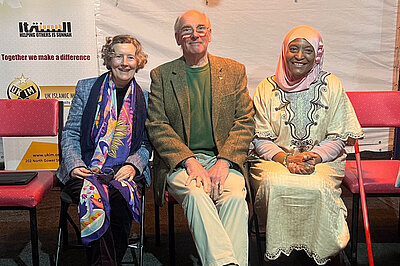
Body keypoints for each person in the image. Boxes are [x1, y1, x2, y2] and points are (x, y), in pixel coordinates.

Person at [146, 9, 255, 266]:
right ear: (177, 38)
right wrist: (190, 161)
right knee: (196, 194)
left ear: (210, 34)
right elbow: (157, 125)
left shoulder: (233, 70)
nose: (195, 34)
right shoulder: (161, 75)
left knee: (234, 197)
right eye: (187, 30)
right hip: (181, 163)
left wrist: (225, 161)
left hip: (222, 159)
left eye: (201, 28)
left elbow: (245, 120)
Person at [250, 25, 364, 265]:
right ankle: (280, 256)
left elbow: (338, 138)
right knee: (275, 184)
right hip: (275, 161)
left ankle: (321, 254)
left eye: (307, 50)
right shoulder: (265, 88)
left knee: (318, 186)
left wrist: (315, 156)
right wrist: (286, 159)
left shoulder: (331, 85)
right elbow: (260, 139)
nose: (299, 56)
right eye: (293, 49)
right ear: (284, 51)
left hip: (324, 161)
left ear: (318, 55)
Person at [56, 35, 151, 266]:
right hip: (87, 168)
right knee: (95, 196)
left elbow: (147, 144)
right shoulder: (87, 87)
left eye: (130, 57)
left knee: (120, 197)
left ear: (138, 62)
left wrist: (132, 165)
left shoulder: (146, 98)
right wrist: (75, 165)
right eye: (118, 56)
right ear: (109, 59)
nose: (124, 62)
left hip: (124, 169)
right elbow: (71, 133)